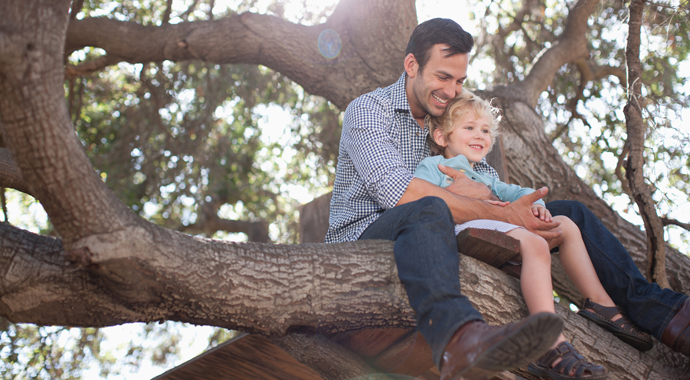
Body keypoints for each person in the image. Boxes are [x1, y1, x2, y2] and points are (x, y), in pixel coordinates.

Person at [325, 17, 689, 380]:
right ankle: (457, 337)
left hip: (440, 228)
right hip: (366, 237)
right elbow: (399, 193)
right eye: (442, 77)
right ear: (411, 65)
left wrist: (518, 209)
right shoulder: (370, 111)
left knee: (571, 214)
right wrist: (502, 213)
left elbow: (483, 185)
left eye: (459, 80)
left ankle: (659, 313)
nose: (452, 90)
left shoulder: (448, 117)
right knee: (429, 206)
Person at [415, 90, 653, 379]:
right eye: (469, 128)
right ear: (442, 137)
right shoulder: (434, 166)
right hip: (464, 232)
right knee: (536, 244)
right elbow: (422, 204)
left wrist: (538, 207)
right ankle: (551, 347)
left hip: (499, 229)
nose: (480, 135)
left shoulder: (487, 176)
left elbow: (520, 193)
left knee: (564, 223)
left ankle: (599, 303)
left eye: (486, 130)